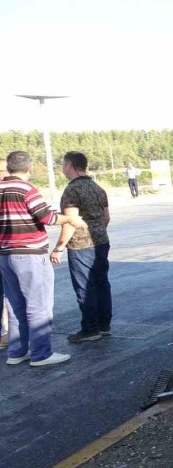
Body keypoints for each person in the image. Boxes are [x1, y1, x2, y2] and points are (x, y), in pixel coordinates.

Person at [1, 151, 87, 367]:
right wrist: (71, 219)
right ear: (29, 168)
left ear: (9, 167)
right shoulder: (26, 189)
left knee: (15, 306)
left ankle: (16, 351)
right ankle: (41, 354)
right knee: (38, 305)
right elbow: (47, 217)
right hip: (29, 255)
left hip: (5, 255)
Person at [51, 152, 113, 343]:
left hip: (80, 245)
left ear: (70, 165)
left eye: (63, 165)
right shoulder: (97, 187)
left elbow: (70, 222)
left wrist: (59, 247)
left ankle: (90, 329)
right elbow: (106, 218)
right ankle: (104, 325)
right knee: (102, 283)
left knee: (85, 287)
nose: (62, 169)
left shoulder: (72, 191)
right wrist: (97, 232)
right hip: (101, 241)